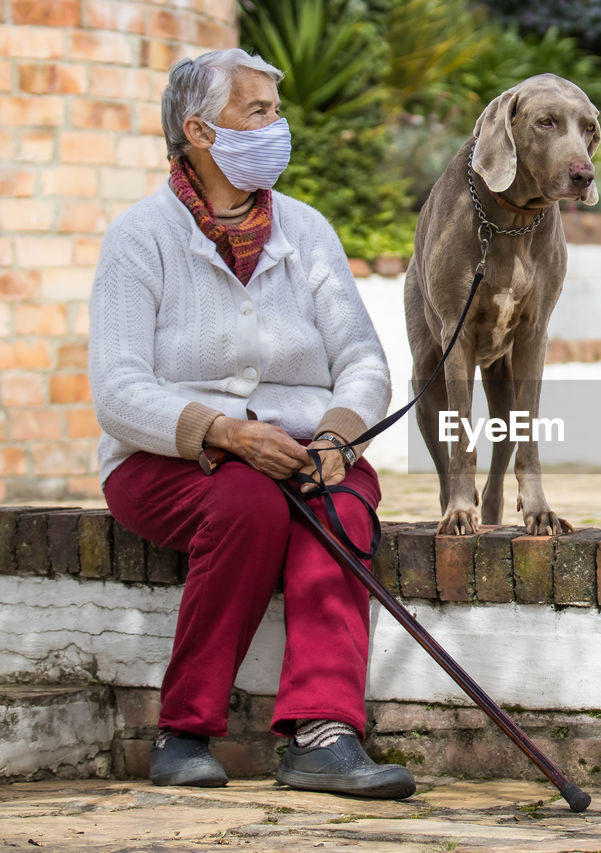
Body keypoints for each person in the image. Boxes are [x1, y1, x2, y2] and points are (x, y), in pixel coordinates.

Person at [88, 48, 413, 799]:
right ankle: (184, 730)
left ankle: (324, 736)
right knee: (248, 501)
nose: (278, 127)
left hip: (306, 449)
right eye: (258, 112)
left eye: (278, 110)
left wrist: (336, 436)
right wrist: (225, 433)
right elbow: (117, 389)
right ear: (199, 131)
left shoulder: (307, 230)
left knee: (342, 502)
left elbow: (362, 359)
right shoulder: (140, 237)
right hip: (166, 459)